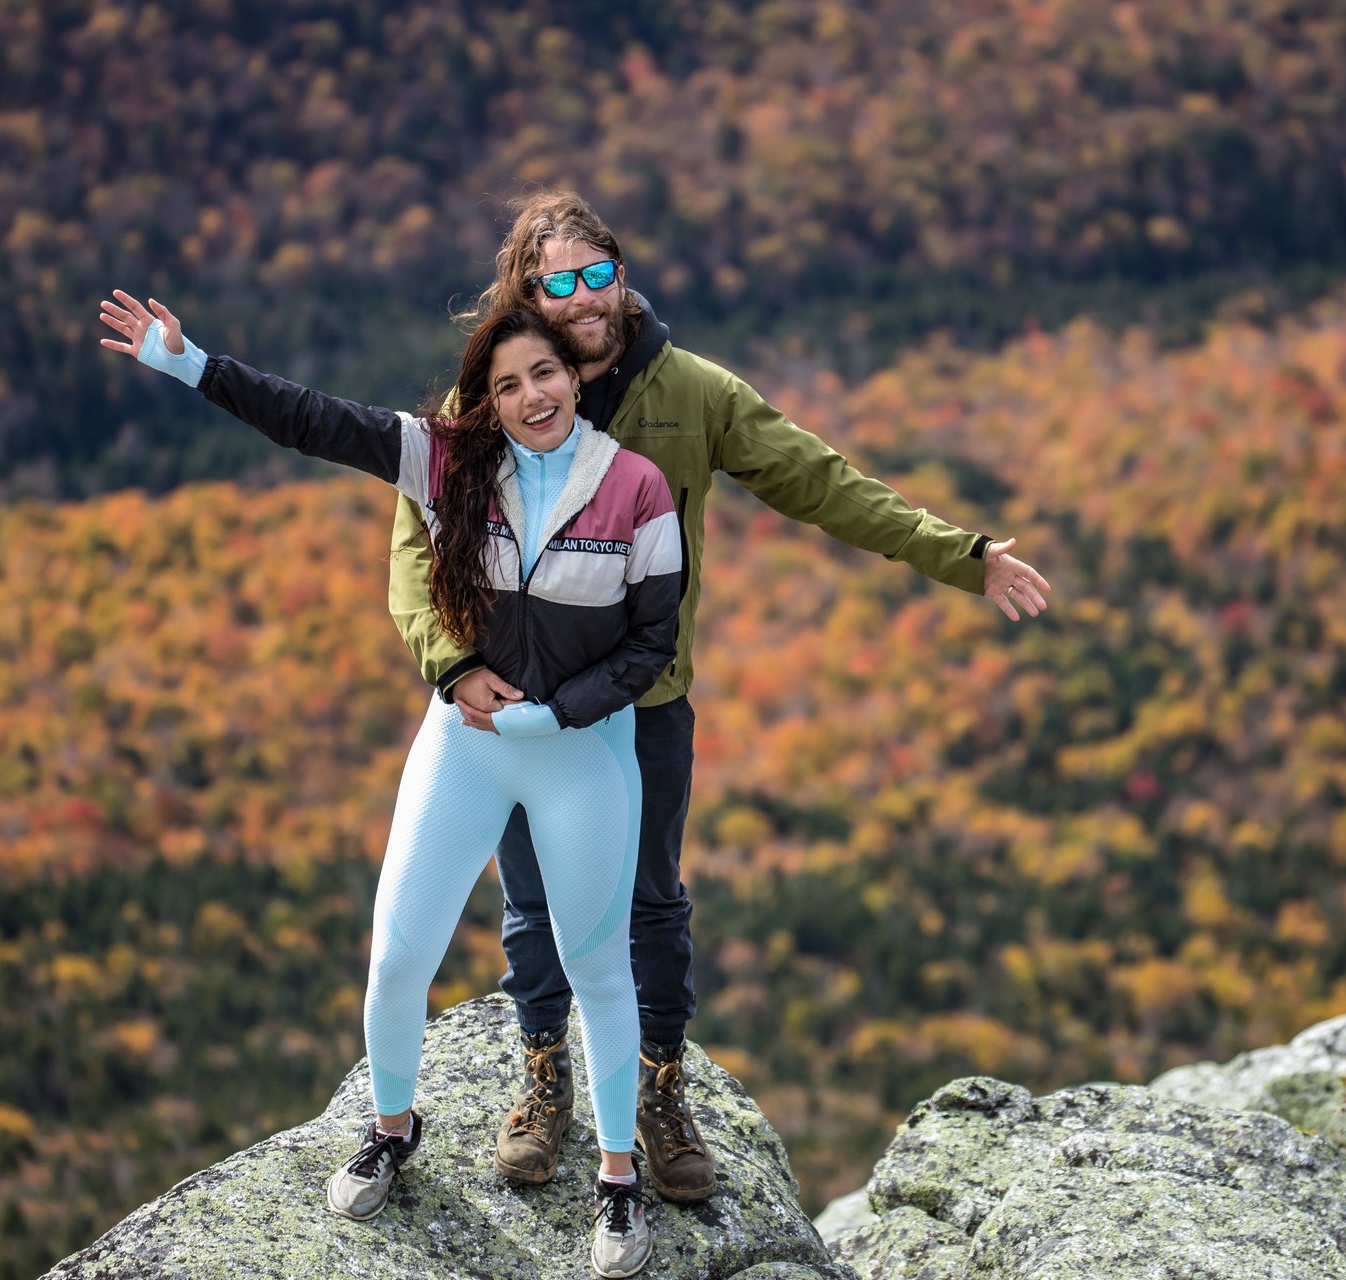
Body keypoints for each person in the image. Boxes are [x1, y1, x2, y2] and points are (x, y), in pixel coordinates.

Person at [388, 192, 1054, 1202]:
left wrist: (962, 557)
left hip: (641, 703)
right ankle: (544, 1081)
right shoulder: (493, 395)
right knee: (532, 906)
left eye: (595, 273)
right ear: (528, 294)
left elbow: (821, 480)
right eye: (556, 282)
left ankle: (659, 1090)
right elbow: (412, 542)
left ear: (619, 273)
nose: (582, 299)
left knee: (649, 901)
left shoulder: (690, 394)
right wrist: (450, 663)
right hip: (512, 702)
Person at [98, 292, 675, 1278]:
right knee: (399, 953)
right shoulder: (447, 461)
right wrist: (195, 366)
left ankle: (619, 1180)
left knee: (598, 969)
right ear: (484, 403)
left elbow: (651, 643)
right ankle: (391, 1127)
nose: (531, 394)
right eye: (506, 384)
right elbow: (314, 419)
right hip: (467, 740)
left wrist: (556, 710)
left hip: (582, 751)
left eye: (545, 373)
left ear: (576, 377)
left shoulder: (636, 489)